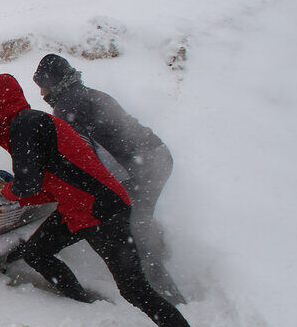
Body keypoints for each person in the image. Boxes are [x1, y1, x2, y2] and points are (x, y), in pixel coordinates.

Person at [0, 73, 223, 327]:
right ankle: (81, 305)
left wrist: (7, 189)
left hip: (103, 210)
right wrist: (15, 188)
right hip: (77, 208)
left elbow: (28, 185)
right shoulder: (27, 124)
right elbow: (47, 184)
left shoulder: (24, 124)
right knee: (38, 252)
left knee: (136, 289)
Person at [32, 54, 184, 304]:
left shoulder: (68, 106)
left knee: (134, 230)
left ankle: (170, 298)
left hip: (140, 168)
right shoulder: (89, 94)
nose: (40, 93)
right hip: (157, 157)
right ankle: (160, 258)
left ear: (52, 82)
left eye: (42, 86)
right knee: (139, 220)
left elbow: (82, 154)